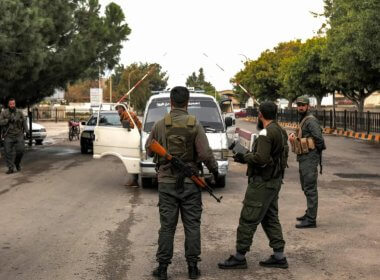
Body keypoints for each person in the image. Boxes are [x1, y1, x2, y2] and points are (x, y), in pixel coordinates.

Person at [145, 86, 219, 280]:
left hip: (167, 183)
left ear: (171, 102)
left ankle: (162, 268)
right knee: (192, 225)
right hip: (190, 183)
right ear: (187, 102)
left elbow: (149, 149)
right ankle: (193, 267)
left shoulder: (160, 124)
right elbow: (204, 154)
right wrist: (214, 170)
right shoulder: (195, 124)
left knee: (167, 227)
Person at [218, 101, 289, 270]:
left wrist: (244, 157)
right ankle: (279, 256)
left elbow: (261, 159)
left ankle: (239, 257)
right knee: (270, 217)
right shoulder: (280, 130)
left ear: (260, 115)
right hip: (274, 181)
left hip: (262, 183)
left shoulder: (265, 133)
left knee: (248, 218)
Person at [288, 96, 325, 229]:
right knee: (306, 187)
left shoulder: (311, 121)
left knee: (310, 189)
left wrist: (314, 153)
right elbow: (303, 133)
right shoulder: (303, 119)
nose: (301, 107)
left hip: (309, 158)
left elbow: (319, 140)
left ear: (308, 106)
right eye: (299, 105)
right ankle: (309, 213)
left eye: (303, 105)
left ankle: (311, 220)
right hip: (304, 158)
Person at [116, 103, 142, 186]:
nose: (117, 111)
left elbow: (131, 126)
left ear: (123, 109)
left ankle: (135, 181)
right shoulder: (126, 114)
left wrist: (126, 126)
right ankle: (134, 180)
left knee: (133, 158)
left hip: (135, 137)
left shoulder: (127, 115)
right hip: (136, 136)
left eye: (119, 108)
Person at [0, 98, 28, 174]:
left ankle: (17, 163)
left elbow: (24, 122)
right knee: (8, 152)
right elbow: (0, 122)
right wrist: (7, 120)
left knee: (21, 151)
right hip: (8, 135)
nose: (12, 105)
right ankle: (10, 167)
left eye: (13, 104)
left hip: (18, 134)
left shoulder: (19, 112)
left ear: (15, 104)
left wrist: (27, 131)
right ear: (8, 104)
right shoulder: (4, 113)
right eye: (11, 104)